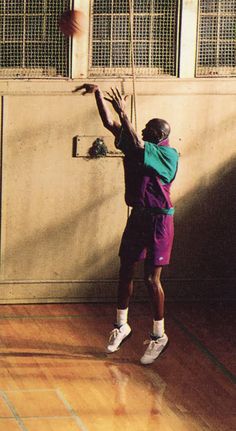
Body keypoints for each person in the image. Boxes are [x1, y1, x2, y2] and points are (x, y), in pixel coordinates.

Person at [74, 84, 179, 365]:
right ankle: (122, 325)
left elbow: (135, 141)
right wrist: (97, 94)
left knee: (150, 279)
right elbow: (110, 123)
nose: (142, 130)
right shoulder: (137, 146)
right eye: (141, 127)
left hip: (159, 220)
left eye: (148, 129)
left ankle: (159, 336)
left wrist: (124, 110)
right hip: (139, 217)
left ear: (159, 136)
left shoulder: (167, 155)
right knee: (125, 271)